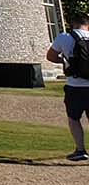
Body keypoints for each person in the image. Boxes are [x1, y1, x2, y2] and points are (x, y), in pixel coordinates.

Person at [47, 12, 89, 161]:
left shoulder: (65, 38)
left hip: (75, 86)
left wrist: (66, 62)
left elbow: (50, 56)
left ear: (73, 24)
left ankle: (80, 149)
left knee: (74, 118)